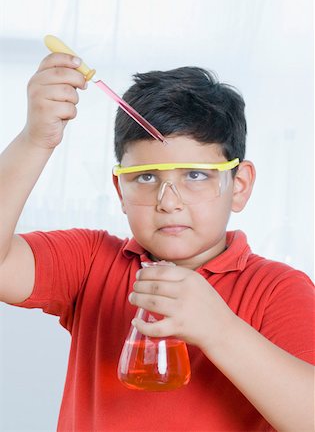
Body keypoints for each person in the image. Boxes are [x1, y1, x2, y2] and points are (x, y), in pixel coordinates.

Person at [0, 51, 314, 432]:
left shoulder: (278, 290)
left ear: (239, 186)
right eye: (146, 177)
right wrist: (35, 140)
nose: (168, 202)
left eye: (196, 175)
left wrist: (220, 330)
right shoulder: (92, 262)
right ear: (120, 188)